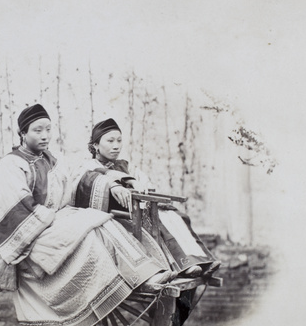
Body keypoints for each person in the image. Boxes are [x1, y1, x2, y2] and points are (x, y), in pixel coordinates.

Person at [0, 104, 173, 326]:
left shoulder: (52, 160)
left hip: (54, 221)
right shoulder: (11, 165)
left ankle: (144, 273)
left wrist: (111, 183)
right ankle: (108, 287)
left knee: (102, 220)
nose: (44, 136)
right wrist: (52, 216)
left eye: (48, 129)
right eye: (37, 130)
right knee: (90, 233)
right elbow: (16, 209)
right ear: (22, 133)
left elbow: (77, 182)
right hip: (31, 233)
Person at [73, 118, 220, 278]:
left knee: (174, 216)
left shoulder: (125, 165)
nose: (116, 146)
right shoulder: (88, 165)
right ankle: (183, 265)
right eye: (110, 141)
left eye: (119, 140)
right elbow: (90, 182)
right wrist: (116, 185)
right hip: (116, 216)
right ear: (95, 145)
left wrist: (142, 186)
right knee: (158, 221)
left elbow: (142, 181)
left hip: (137, 209)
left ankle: (200, 260)